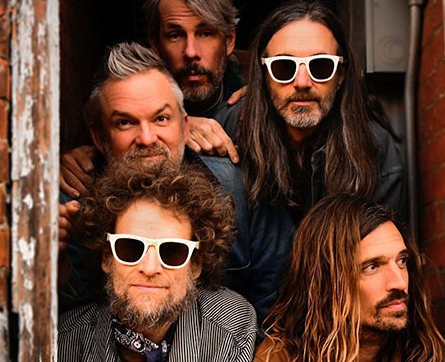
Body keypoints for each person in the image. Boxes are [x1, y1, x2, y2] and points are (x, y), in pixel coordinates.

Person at [59, 42, 292, 324]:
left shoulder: (244, 191)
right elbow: (72, 325)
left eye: (161, 118)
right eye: (125, 123)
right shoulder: (71, 210)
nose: (146, 138)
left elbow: (280, 307)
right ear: (98, 136)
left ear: (184, 125)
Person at [58, 161, 257, 362]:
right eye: (130, 248)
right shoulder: (61, 347)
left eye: (172, 251)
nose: (150, 268)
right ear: (108, 257)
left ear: (195, 265)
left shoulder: (229, 328)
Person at [246, 194, 445, 362]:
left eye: (401, 261)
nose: (399, 282)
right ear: (329, 282)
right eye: (372, 266)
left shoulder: (424, 359)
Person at [61, 0, 244, 196]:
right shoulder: (112, 101)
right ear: (155, 45)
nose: (190, 52)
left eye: (205, 33)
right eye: (175, 35)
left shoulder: (250, 104)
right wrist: (65, 163)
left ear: (229, 41)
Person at [216, 0, 404, 223]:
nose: (302, 82)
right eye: (284, 67)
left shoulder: (374, 148)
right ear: (265, 75)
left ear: (340, 76)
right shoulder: (224, 130)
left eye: (321, 66)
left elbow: (381, 249)